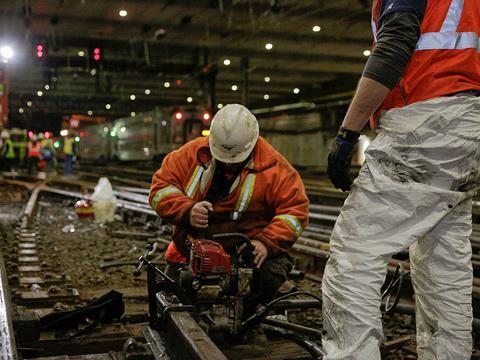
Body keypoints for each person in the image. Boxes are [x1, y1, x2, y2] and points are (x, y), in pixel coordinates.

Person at [323, 1, 480, 359]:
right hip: (470, 128)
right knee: (444, 262)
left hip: (427, 122)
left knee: (354, 253)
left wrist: (348, 133)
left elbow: (394, 47)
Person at [149, 104, 309, 304]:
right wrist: (187, 210)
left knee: (269, 274)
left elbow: (295, 211)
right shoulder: (191, 154)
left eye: (235, 159)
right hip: (192, 246)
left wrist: (266, 243)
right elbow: (160, 188)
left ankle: (250, 316)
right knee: (174, 294)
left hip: (245, 250)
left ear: (252, 144)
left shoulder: (275, 168)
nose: (229, 164)